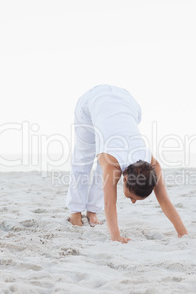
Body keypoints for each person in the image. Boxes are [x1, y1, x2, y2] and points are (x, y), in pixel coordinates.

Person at [66, 84, 188, 244]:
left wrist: (182, 232)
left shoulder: (153, 166)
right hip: (93, 103)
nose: (132, 202)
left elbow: (164, 199)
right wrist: (115, 236)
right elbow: (110, 202)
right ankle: (75, 212)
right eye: (132, 197)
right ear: (124, 179)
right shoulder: (112, 164)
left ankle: (92, 212)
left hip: (127, 103)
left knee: (103, 171)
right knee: (83, 159)